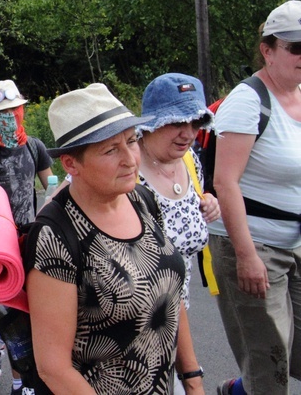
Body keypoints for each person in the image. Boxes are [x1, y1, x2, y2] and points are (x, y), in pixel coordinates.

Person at [25, 83, 189, 394]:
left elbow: (170, 293)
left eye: (131, 141)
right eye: (111, 150)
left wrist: (192, 377)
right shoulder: (56, 234)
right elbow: (53, 368)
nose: (130, 159)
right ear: (72, 164)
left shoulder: (142, 201)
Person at [209, 0, 301, 395]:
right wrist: (246, 256)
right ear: (268, 49)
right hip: (252, 244)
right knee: (270, 361)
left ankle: (239, 390)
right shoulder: (248, 101)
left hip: (295, 242)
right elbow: (225, 183)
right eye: (295, 48)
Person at [138, 73, 221, 393]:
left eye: (196, 121)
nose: (188, 132)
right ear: (150, 123)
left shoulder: (188, 160)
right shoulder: (125, 171)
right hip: (133, 327)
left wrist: (207, 202)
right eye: (177, 122)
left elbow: (191, 206)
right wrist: (194, 378)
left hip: (176, 316)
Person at [0, 80, 52, 395]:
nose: (8, 117)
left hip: (31, 238)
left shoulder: (34, 147)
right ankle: (20, 384)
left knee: (33, 309)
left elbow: (53, 188)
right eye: (0, 112)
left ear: (22, 111)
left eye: (13, 110)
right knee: (10, 313)